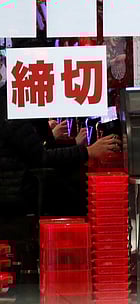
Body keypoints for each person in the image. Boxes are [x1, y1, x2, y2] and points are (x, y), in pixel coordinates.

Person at [0, 85, 121, 216]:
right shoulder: (11, 108)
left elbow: (41, 149)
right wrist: (88, 151)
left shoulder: (17, 105)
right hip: (18, 199)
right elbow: (42, 156)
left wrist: (74, 144)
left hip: (19, 195)